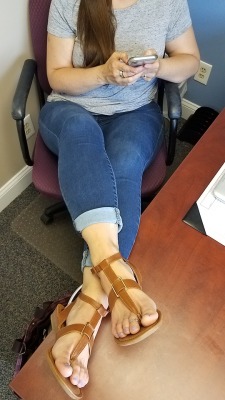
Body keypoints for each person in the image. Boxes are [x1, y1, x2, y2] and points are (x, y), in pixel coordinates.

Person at [39, 0, 200, 397]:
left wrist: (158, 66)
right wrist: (102, 73)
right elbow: (57, 77)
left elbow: (191, 61)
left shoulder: (168, 2)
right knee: (82, 133)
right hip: (70, 112)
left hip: (135, 113)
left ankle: (89, 301)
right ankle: (117, 277)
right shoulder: (69, 2)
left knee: (124, 160)